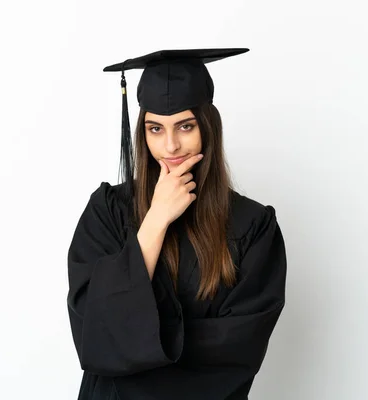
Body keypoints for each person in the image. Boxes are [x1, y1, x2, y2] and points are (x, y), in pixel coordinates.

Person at [67, 48, 287, 400]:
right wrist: (156, 219)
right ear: (142, 133)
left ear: (207, 127)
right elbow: (93, 332)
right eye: (155, 128)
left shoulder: (253, 226)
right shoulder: (108, 211)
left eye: (185, 126)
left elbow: (238, 349)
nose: (170, 146)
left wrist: (138, 338)